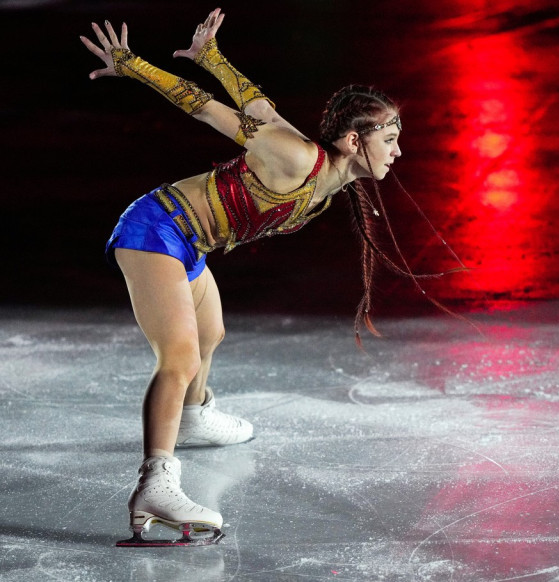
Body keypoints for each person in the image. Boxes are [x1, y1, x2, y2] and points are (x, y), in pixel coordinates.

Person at [80, 8, 405, 545]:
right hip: (156, 228)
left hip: (189, 242)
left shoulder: (323, 179)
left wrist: (213, 56)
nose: (397, 150)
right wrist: (134, 65)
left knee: (211, 336)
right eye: (389, 138)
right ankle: (155, 480)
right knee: (180, 356)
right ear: (353, 140)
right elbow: (208, 111)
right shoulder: (298, 158)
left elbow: (256, 101)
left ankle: (192, 418)